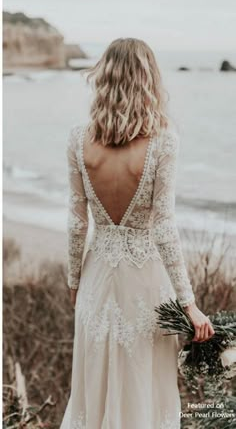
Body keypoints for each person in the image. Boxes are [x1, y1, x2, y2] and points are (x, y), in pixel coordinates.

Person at [60, 38, 215, 429]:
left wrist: (75, 281)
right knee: (145, 390)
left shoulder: (79, 140)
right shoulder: (164, 142)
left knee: (93, 388)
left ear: (105, 78)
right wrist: (188, 302)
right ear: (149, 80)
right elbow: (163, 225)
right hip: (147, 286)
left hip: (96, 281)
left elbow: (78, 221)